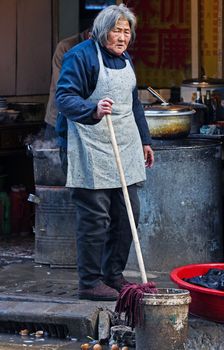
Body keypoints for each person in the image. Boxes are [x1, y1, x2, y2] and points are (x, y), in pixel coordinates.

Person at [56, 3, 154, 301]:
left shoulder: (125, 59)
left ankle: (113, 275)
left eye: (127, 31)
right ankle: (90, 281)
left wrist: (145, 141)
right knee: (95, 218)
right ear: (102, 31)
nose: (123, 37)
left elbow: (133, 104)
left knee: (127, 214)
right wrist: (93, 108)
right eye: (117, 30)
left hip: (123, 145)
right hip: (88, 146)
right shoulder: (80, 57)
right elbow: (64, 97)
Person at [44, 28, 91, 140]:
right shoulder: (66, 46)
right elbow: (63, 85)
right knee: (53, 155)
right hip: (59, 117)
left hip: (86, 119)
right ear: (90, 34)